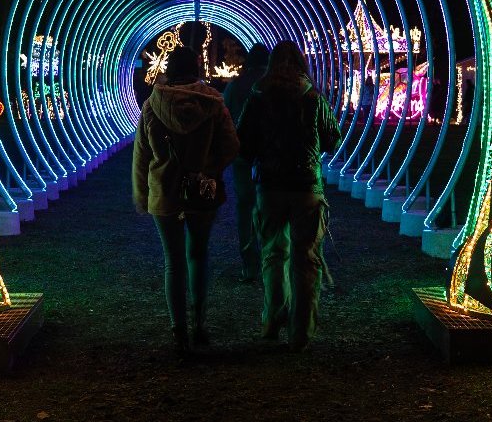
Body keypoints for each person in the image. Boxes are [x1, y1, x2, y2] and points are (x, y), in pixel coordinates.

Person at [132, 24, 239, 356]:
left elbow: (141, 155)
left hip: (164, 191)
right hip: (202, 192)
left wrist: (141, 194)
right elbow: (231, 145)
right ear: (197, 69)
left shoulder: (152, 105)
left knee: (172, 260)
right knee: (198, 255)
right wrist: (210, 169)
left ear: (168, 70)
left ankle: (179, 330)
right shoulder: (214, 103)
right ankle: (200, 325)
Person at [237, 40, 340, 352]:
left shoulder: (258, 95)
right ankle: (301, 331)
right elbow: (332, 138)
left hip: (269, 185)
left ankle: (272, 319)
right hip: (307, 186)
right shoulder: (313, 96)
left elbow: (244, 141)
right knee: (305, 259)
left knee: (273, 253)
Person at [222, 44, 270, 282]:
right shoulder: (275, 84)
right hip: (271, 157)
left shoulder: (235, 85)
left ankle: (250, 263)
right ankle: (273, 262)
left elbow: (226, 118)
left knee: (245, 206)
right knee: (271, 206)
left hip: (242, 156)